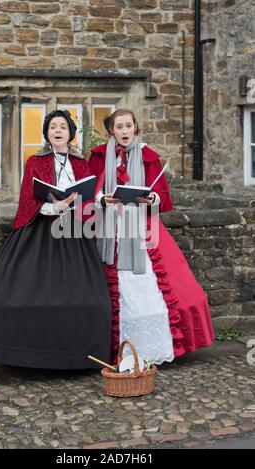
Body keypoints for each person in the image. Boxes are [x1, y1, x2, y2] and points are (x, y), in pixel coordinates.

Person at [0, 109, 112, 369]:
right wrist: (52, 207)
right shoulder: (35, 162)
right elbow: (28, 198)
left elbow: (90, 197)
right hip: (40, 231)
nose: (58, 131)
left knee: (90, 299)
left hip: (74, 234)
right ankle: (24, 354)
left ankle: (81, 354)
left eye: (63, 126)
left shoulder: (81, 163)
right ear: (47, 133)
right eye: (53, 127)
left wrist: (83, 203)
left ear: (70, 133)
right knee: (10, 296)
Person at [89, 108, 214, 365]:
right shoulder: (100, 156)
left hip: (143, 227)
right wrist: (103, 198)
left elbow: (161, 194)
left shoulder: (148, 157)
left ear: (136, 128)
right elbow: (90, 190)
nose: (124, 131)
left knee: (156, 286)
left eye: (128, 126)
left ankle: (151, 348)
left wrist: (151, 198)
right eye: (119, 127)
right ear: (111, 130)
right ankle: (120, 348)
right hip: (110, 227)